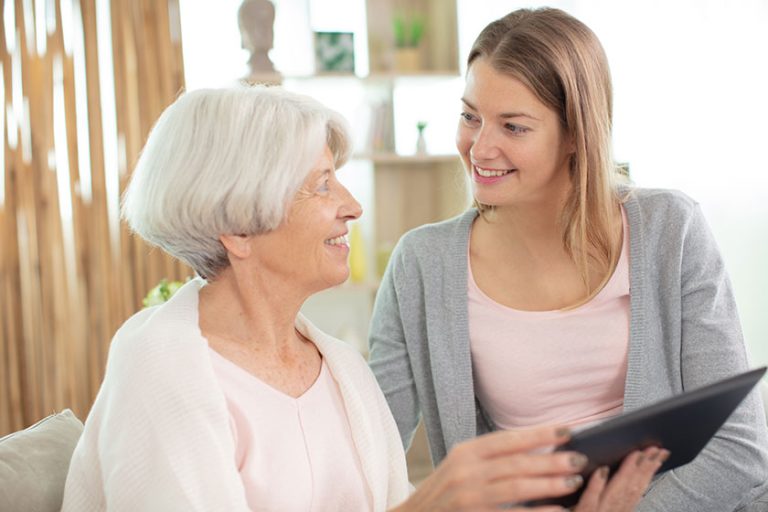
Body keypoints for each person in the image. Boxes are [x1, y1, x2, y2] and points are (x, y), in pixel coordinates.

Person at [59, 86, 661, 511]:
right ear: (238, 230)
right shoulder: (163, 364)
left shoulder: (340, 371)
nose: (352, 205)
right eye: (322, 185)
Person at [368, 7, 768, 512]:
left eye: (513, 127)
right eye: (470, 116)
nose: (479, 147)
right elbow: (365, 445)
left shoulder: (669, 228)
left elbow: (739, 449)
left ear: (577, 133)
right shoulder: (422, 264)